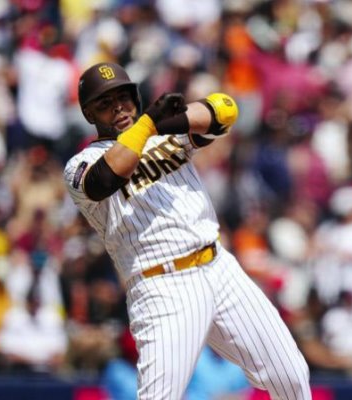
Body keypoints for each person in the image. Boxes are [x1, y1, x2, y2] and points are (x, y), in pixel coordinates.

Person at [63, 63, 310, 400]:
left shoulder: (162, 134)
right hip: (162, 284)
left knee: (291, 375)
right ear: (89, 112)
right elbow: (107, 178)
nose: (118, 106)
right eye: (105, 103)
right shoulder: (80, 164)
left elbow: (225, 110)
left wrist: (168, 121)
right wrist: (149, 122)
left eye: (123, 97)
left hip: (219, 267)